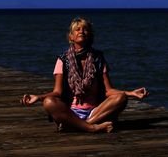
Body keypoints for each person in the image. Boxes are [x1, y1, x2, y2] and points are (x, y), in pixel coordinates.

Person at [20, 17, 149, 133]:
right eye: (77, 29)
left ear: (90, 35)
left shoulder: (98, 58)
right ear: (71, 37)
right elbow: (57, 92)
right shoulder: (62, 60)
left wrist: (130, 93)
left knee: (120, 97)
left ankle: (79, 125)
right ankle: (92, 127)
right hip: (71, 112)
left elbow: (108, 91)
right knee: (48, 102)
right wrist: (38, 97)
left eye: (85, 29)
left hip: (96, 112)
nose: (81, 31)